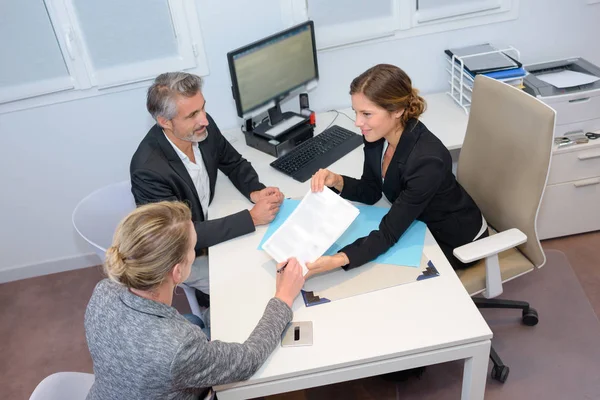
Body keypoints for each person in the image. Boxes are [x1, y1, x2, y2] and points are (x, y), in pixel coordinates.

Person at [85, 201, 304, 400]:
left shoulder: (103, 291)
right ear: (178, 272)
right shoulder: (178, 347)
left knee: (199, 320)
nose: (195, 252)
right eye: (193, 248)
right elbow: (248, 360)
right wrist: (283, 297)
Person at [307, 64, 488, 276]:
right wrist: (336, 180)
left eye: (366, 113)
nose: (358, 122)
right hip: (416, 223)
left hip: (454, 240)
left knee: (382, 279)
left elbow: (389, 233)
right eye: (356, 112)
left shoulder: (427, 161)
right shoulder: (377, 137)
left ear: (398, 110)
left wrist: (339, 259)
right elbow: (371, 190)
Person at [130, 72, 284, 297]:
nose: (204, 119)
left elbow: (232, 162)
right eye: (192, 115)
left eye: (202, 108)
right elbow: (180, 234)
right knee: (253, 285)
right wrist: (251, 218)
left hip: (210, 223)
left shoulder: (201, 127)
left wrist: (256, 191)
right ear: (165, 122)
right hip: (183, 254)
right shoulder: (148, 170)